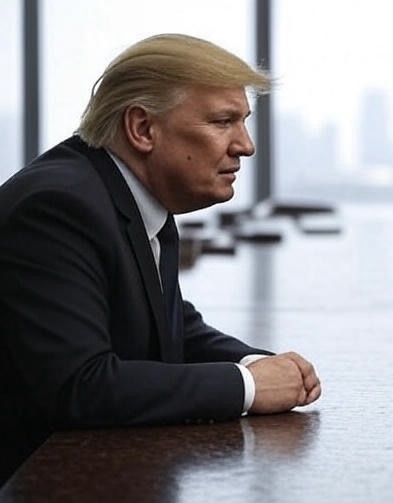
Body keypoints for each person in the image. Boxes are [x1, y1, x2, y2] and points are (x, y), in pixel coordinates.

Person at [0, 33, 321, 484]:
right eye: (223, 122)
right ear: (143, 129)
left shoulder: (134, 198)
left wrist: (257, 365)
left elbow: (169, 327)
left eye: (243, 122)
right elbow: (80, 386)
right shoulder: (57, 208)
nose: (246, 145)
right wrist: (247, 387)